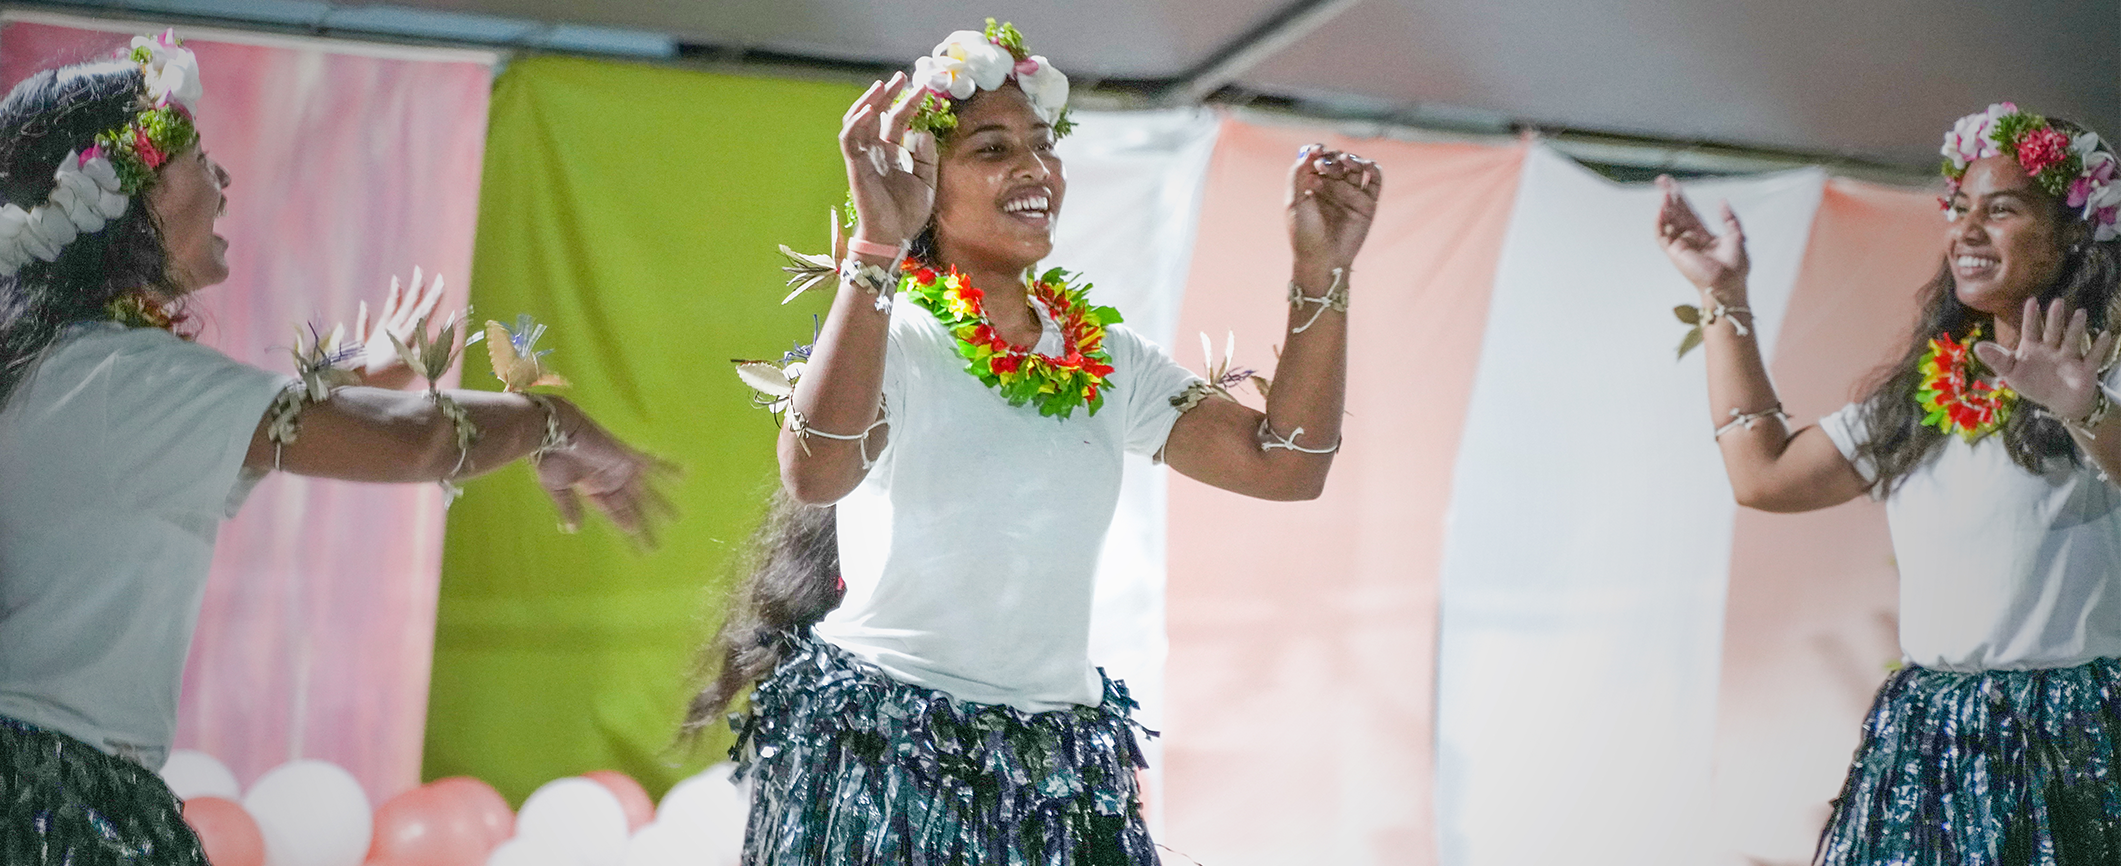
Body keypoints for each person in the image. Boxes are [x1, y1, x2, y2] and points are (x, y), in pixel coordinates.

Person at [687, 22, 1380, 864]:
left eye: (1042, 146)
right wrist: (874, 247)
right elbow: (816, 469)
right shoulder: (894, 336)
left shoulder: (1108, 361)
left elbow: (1287, 467)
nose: (1033, 169)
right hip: (890, 751)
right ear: (925, 188)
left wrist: (1322, 273)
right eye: (991, 148)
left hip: (1056, 766)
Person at [0, 34, 666, 864]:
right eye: (200, 158)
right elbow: (416, 446)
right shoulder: (119, 375)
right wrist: (551, 425)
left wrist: (356, 375)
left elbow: (227, 432)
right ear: (128, 199)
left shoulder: (56, 361)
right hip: (53, 804)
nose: (223, 178)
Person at [1656, 102, 2121, 862]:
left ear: (2074, 230)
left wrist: (2084, 406)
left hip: (2067, 746)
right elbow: (1762, 473)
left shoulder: (2103, 380)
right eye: (1960, 209)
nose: (1966, 230)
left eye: (2000, 210)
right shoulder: (1926, 398)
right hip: (1931, 742)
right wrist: (1723, 298)